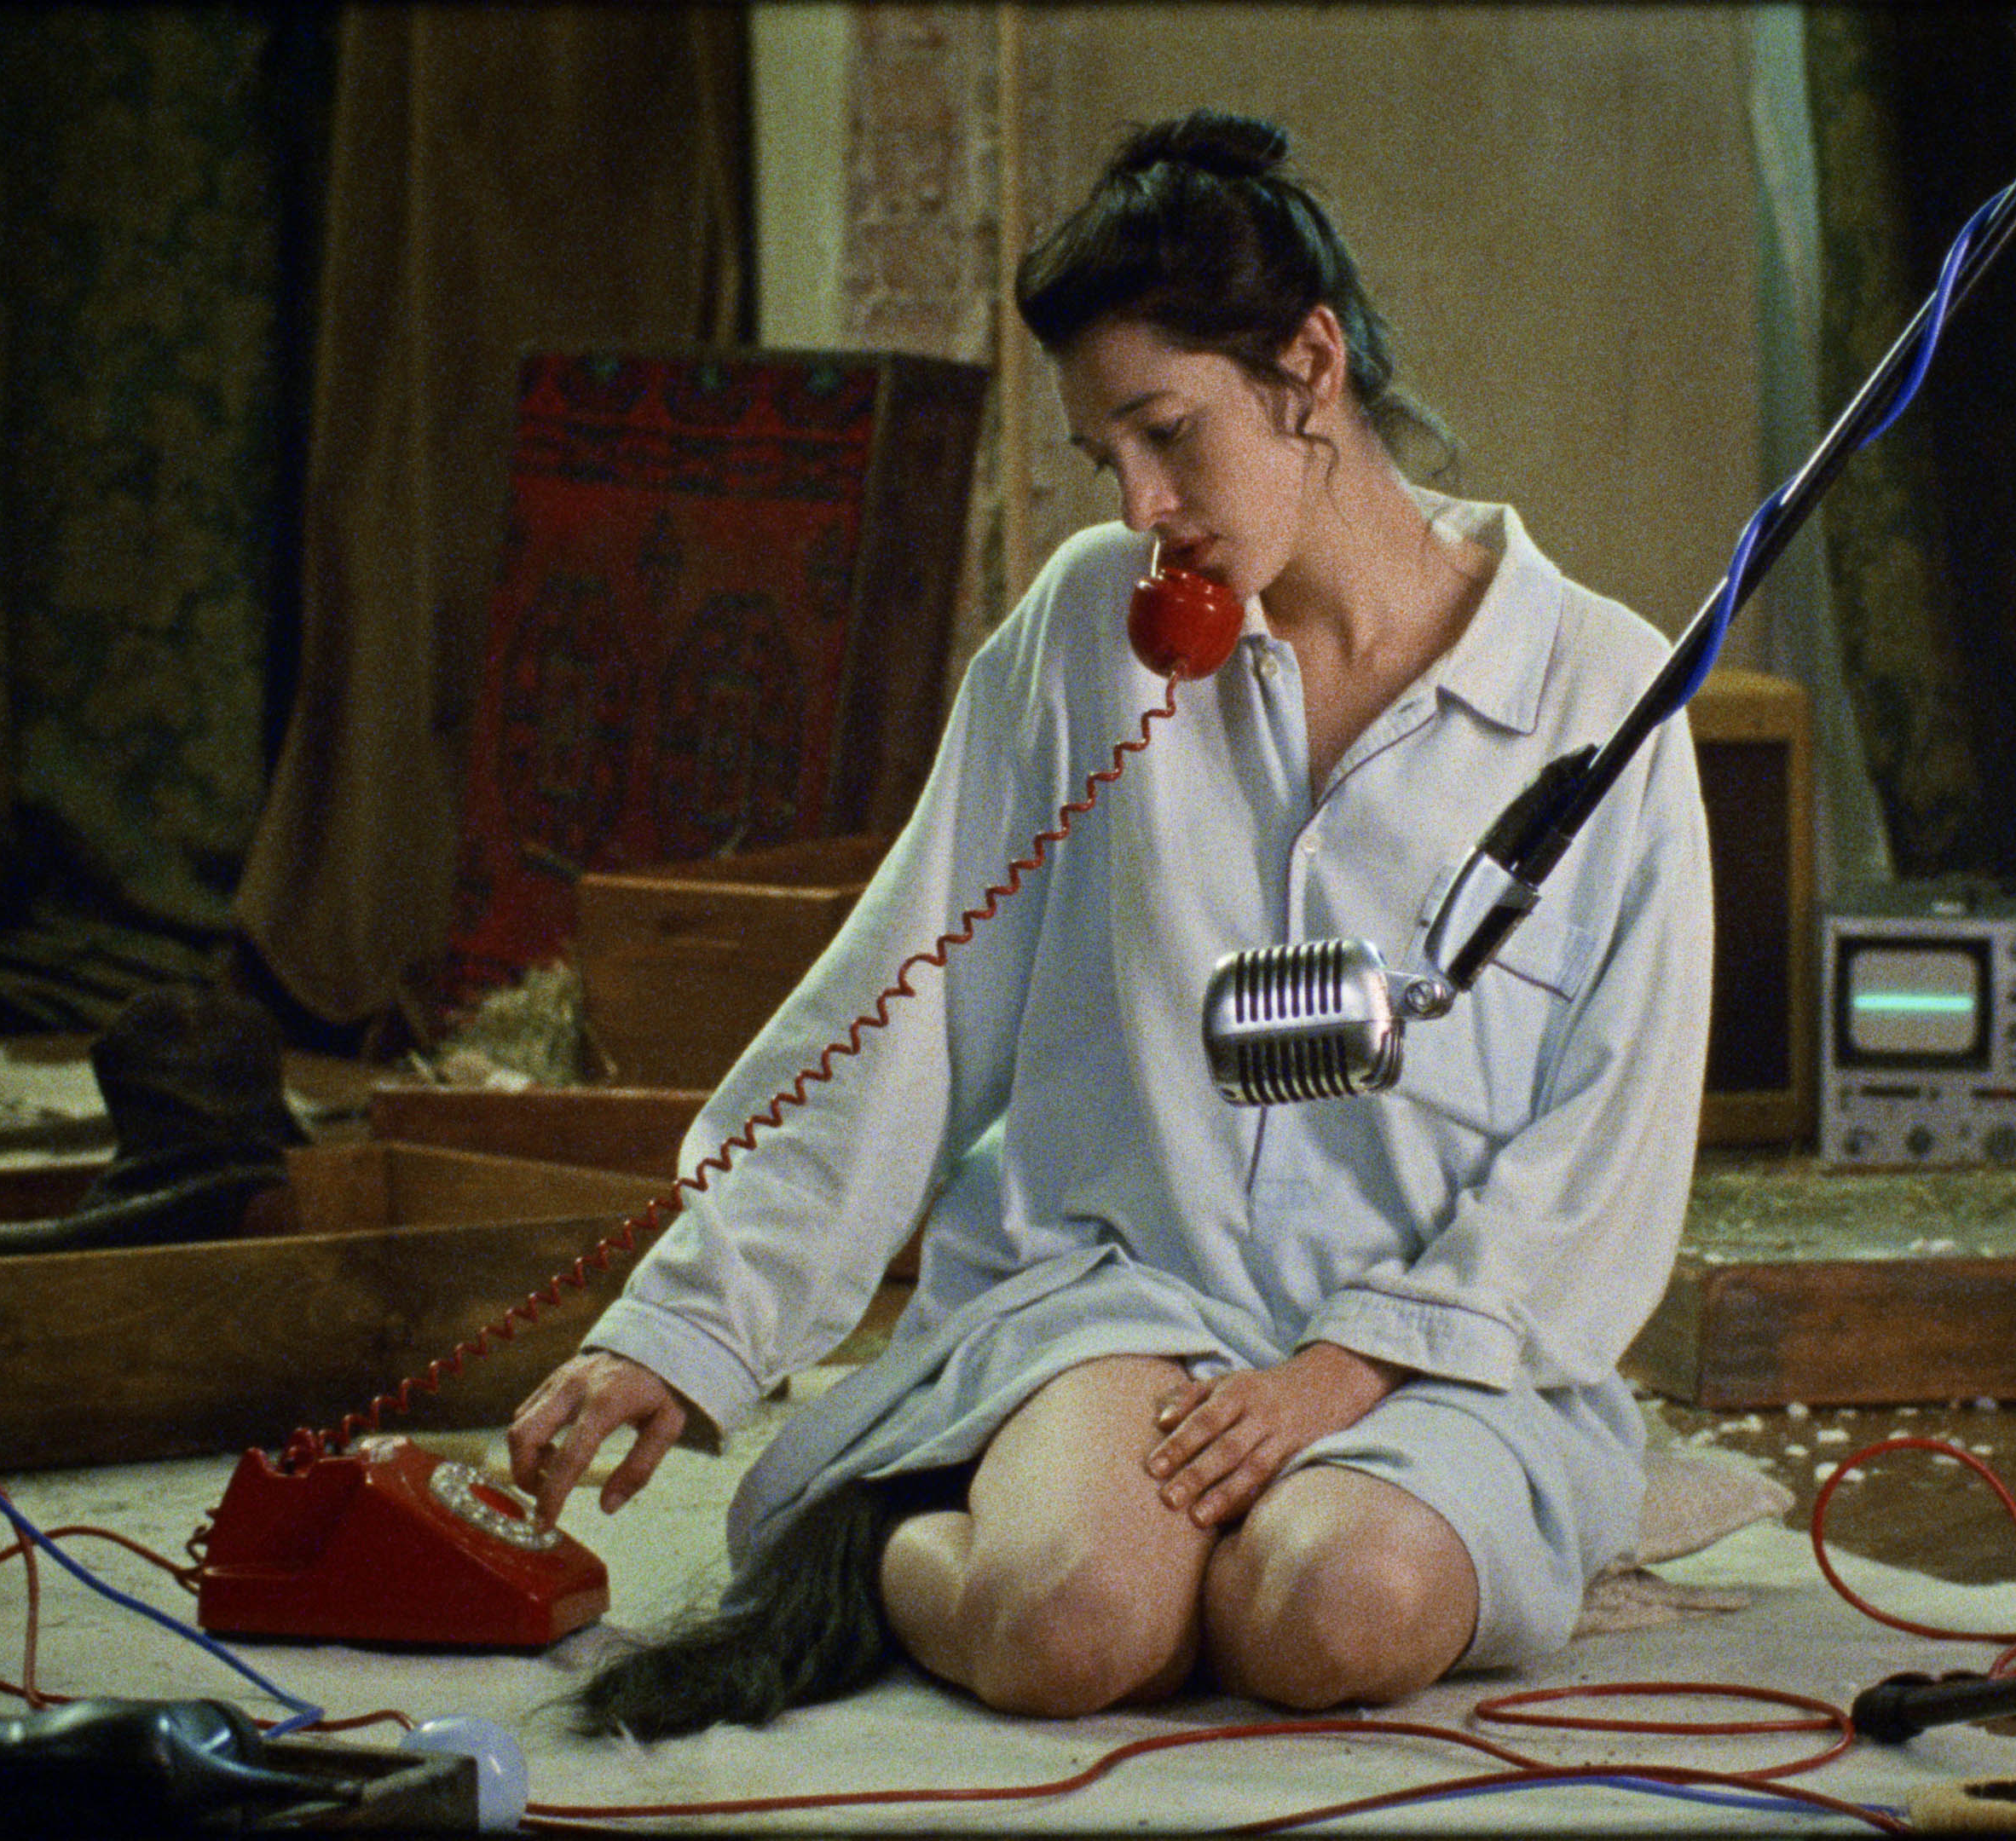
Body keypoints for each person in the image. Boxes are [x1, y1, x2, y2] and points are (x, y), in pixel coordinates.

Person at [505, 107, 1714, 1735]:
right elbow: (903, 1005)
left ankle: (1213, 1561)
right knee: (1066, 1630)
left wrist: (1344, 1374)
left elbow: (1609, 1147)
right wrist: (685, 1326)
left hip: (1444, 1354)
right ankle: (892, 1545)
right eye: (1108, 459)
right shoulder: (1090, 634)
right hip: (1128, 1296)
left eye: (1168, 433)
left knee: (1328, 1611)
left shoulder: (1605, 692)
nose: (1142, 502)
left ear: (1310, 367)